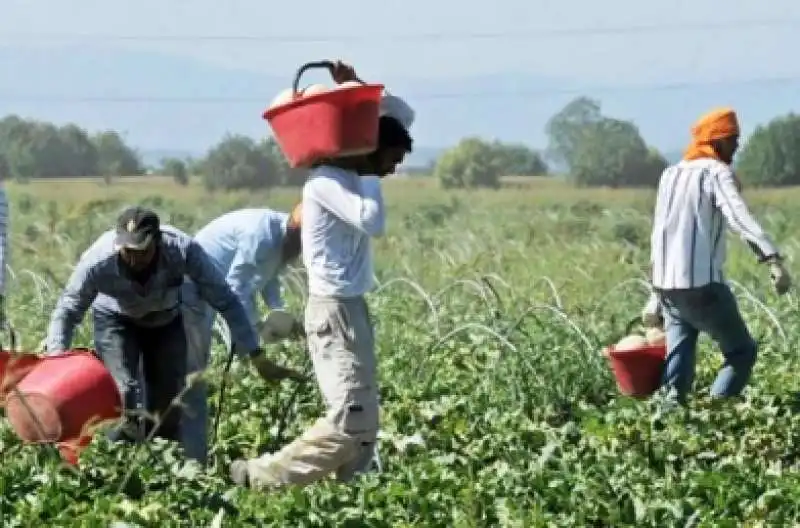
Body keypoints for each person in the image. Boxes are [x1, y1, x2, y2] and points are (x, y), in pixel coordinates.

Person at [229, 65, 415, 489]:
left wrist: (358, 87)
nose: (394, 167)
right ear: (371, 148)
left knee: (365, 422)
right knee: (350, 418)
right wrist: (368, 168)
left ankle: (354, 498)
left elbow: (403, 113)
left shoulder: (350, 177)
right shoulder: (326, 182)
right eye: (392, 156)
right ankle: (262, 477)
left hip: (352, 307)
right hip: (332, 309)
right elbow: (373, 221)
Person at [44, 206, 301, 444]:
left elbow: (227, 300)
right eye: (127, 251)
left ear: (157, 241)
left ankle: (161, 467)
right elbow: (67, 311)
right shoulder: (98, 261)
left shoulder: (182, 250)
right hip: (116, 320)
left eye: (141, 251)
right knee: (125, 392)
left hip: (165, 320)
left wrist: (256, 355)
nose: (133, 259)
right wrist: (56, 360)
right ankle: (115, 459)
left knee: (167, 405)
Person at [641, 107, 791, 408]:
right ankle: (715, 411)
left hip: (669, 287)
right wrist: (773, 260)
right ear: (716, 143)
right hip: (702, 287)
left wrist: (655, 296)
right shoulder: (715, 172)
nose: (736, 147)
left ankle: (668, 423)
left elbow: (661, 234)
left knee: (679, 362)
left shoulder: (670, 175)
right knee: (741, 352)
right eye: (732, 140)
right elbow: (739, 216)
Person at [180, 204, 304, 463]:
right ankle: (189, 454)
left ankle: (197, 447)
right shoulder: (259, 235)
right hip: (194, 287)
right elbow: (235, 290)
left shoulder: (284, 243)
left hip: (215, 289)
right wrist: (256, 329)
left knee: (205, 366)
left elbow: (269, 282)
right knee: (191, 370)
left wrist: (281, 318)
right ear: (297, 233)